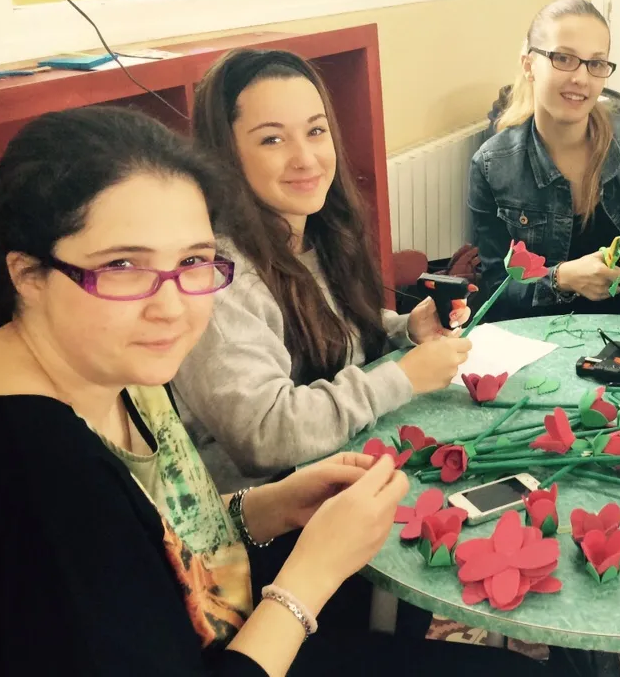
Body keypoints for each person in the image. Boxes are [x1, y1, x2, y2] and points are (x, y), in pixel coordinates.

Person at [0, 107, 541, 675]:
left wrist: (268, 506)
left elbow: (166, 536)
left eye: (193, 262)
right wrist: (309, 578)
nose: (173, 307)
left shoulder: (114, 366)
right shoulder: (40, 477)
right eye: (123, 265)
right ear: (27, 274)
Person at [174, 49, 472, 492]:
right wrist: (403, 377)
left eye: (316, 131)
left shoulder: (319, 235)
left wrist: (404, 329)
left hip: (345, 468)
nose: (306, 158)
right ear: (226, 155)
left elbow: (333, 342)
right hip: (271, 519)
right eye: (272, 139)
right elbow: (265, 435)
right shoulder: (218, 279)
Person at [467, 0, 620, 322]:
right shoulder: (492, 165)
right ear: (529, 66)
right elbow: (495, 290)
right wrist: (562, 278)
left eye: (596, 64)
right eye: (563, 58)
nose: (581, 78)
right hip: (539, 338)